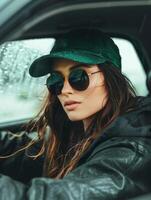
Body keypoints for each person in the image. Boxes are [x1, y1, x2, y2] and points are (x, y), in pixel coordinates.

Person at [0, 28, 151, 200]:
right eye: (55, 81)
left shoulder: (130, 150)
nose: (64, 90)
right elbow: (19, 153)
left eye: (78, 77)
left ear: (111, 79)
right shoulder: (76, 133)